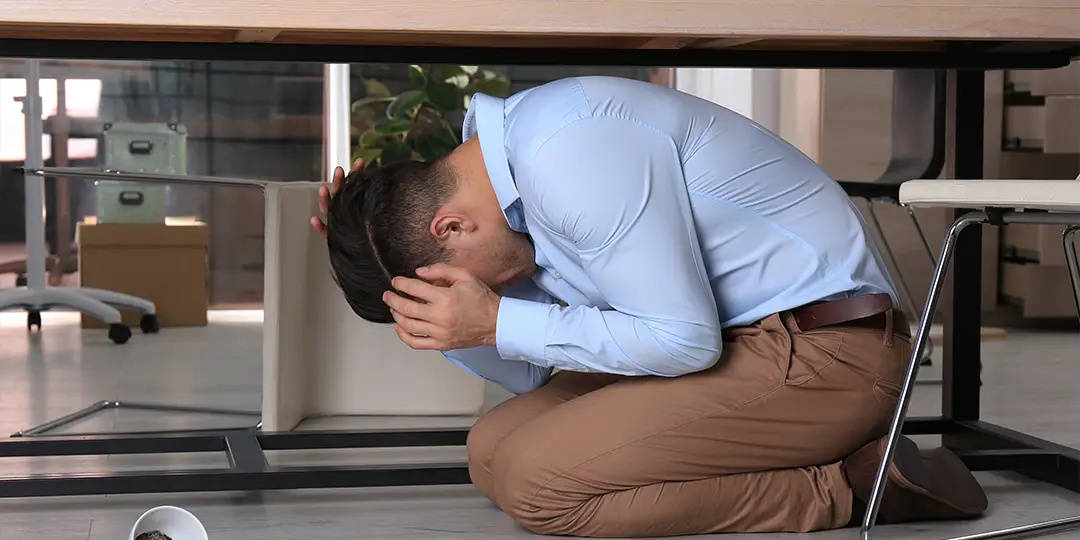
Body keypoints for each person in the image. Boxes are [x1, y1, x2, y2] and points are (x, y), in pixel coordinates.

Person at [311, 76, 987, 537]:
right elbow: (529, 370)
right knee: (490, 450)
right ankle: (786, 456)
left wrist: (494, 319)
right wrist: (367, 253)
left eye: (446, 283)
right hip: (741, 341)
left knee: (538, 487)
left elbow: (682, 340)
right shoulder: (502, 179)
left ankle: (852, 486)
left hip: (828, 351)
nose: (478, 296)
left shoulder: (569, 157)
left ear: (450, 228)